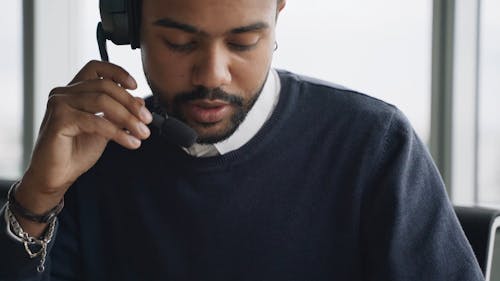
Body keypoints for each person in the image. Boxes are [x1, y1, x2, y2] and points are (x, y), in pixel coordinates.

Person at [0, 0, 485, 280]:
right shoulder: (94, 153)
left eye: (242, 43)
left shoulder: (374, 147)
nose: (213, 74)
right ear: (128, 26)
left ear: (277, 14)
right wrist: (37, 198)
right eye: (179, 43)